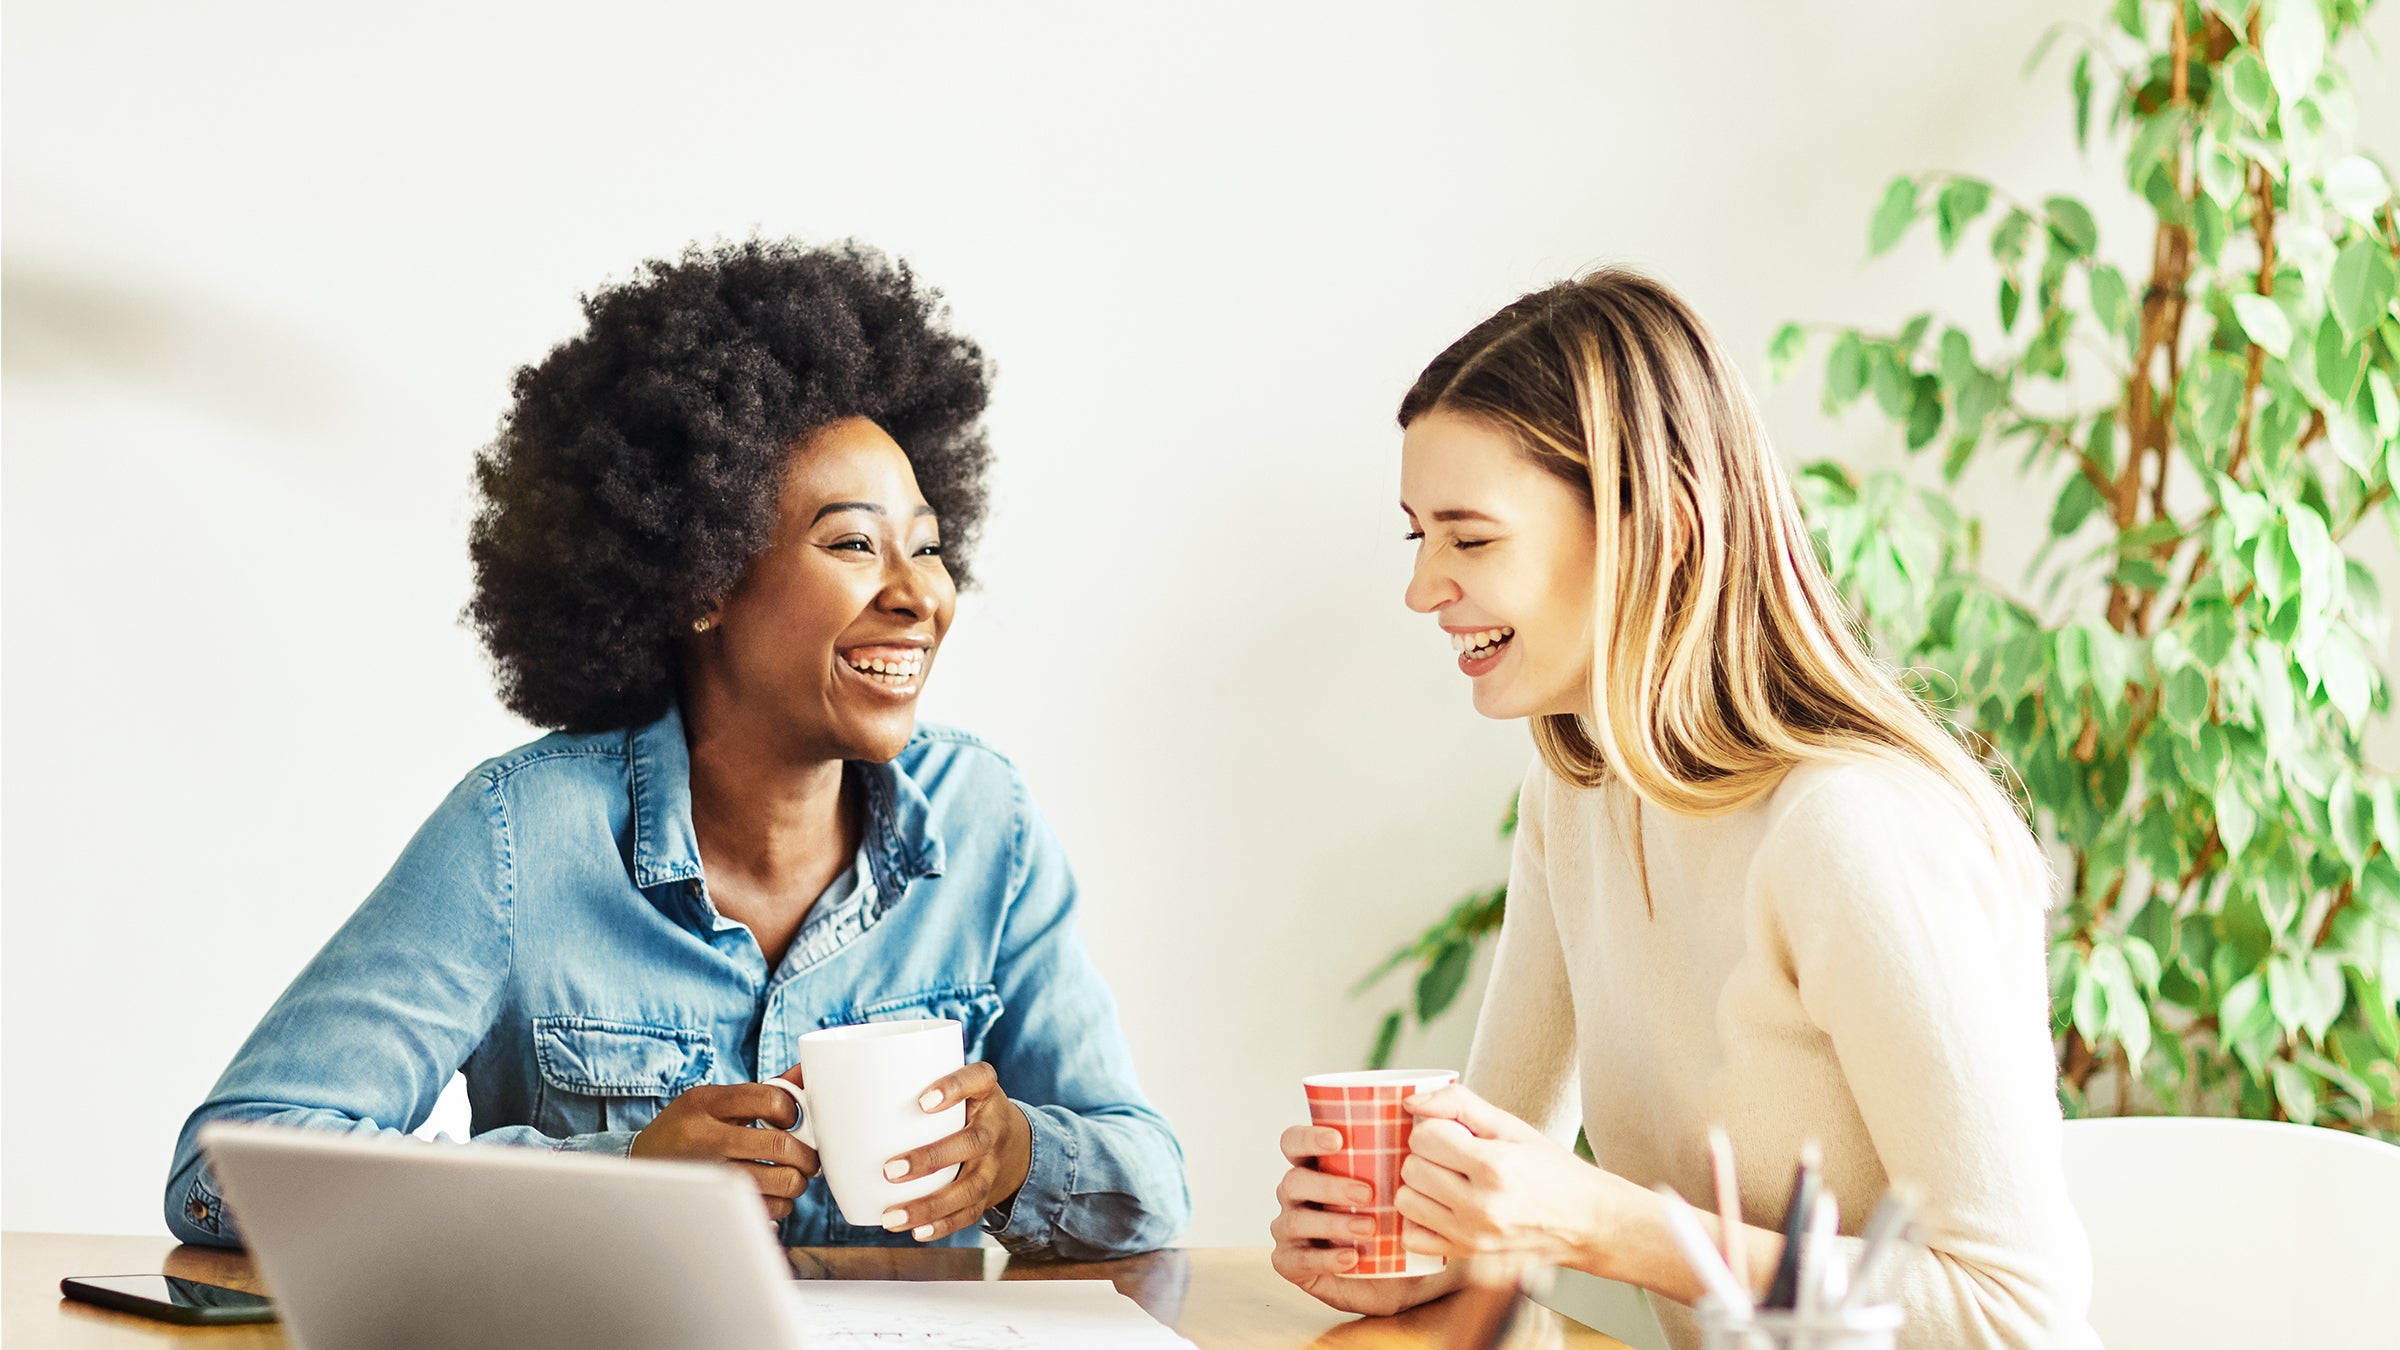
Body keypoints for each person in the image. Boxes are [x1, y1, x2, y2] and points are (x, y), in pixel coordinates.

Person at [166, 240, 1189, 1260]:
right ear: (702, 580)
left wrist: (1016, 1162)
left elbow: (1151, 1189)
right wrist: (619, 1182)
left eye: (925, 544)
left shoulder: (982, 822)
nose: (921, 595)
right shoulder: (524, 839)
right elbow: (224, 1174)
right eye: (851, 543)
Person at [1271, 270, 2096, 1347]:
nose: (1424, 588)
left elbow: (2018, 1315)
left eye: (1470, 539)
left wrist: (1611, 1226)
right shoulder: (1576, 794)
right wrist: (1407, 1248)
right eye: (1416, 535)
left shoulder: (1854, 830)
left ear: (1655, 528)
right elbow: (1505, 1198)